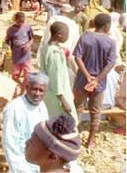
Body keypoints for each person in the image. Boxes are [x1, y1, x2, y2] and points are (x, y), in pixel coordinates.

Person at [73, 13, 116, 148]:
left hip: (81, 80)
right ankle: (91, 141)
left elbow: (77, 57)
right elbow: (110, 64)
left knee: (77, 109)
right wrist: (96, 79)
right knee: (96, 111)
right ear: (107, 25)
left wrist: (87, 76)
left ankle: (74, 139)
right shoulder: (110, 42)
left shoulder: (85, 37)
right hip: (99, 82)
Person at [2, 72, 50, 173]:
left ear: (45, 91)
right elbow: (10, 145)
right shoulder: (15, 108)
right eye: (34, 89)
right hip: (24, 161)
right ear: (27, 87)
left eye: (41, 90)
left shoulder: (41, 105)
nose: (37, 93)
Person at [39, 22, 78, 122]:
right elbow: (55, 77)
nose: (68, 37)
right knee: (65, 124)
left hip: (49, 93)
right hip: (57, 97)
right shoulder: (55, 54)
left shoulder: (45, 48)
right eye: (67, 34)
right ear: (59, 34)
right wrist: (63, 100)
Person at [6, 12, 34, 95]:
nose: (21, 23)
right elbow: (7, 41)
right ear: (15, 20)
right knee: (15, 76)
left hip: (26, 56)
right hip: (16, 57)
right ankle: (14, 92)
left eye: (22, 21)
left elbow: (32, 38)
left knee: (28, 75)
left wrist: (28, 45)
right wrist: (7, 47)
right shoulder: (11, 30)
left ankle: (23, 92)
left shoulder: (27, 27)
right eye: (19, 22)